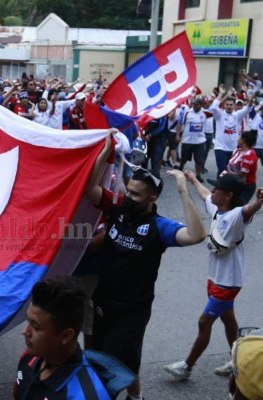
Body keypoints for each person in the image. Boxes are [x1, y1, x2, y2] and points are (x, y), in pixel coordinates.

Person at [84, 130, 206, 400]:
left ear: (152, 199)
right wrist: (105, 151)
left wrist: (184, 191)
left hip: (132, 311)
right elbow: (90, 189)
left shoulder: (159, 227)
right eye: (129, 191)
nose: (129, 197)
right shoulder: (119, 207)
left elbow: (197, 235)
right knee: (109, 359)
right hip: (103, 303)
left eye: (136, 195)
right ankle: (133, 396)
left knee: (118, 365)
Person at [163, 175, 263, 380]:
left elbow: (248, 209)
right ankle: (237, 360)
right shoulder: (217, 209)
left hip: (228, 283)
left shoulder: (236, 216)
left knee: (204, 322)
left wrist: (260, 201)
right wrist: (192, 180)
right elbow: (204, 194)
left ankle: (187, 366)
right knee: (229, 320)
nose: (213, 192)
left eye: (217, 189)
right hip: (216, 278)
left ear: (228, 195)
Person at [14, 276, 135, 400]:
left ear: (66, 336)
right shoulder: (29, 357)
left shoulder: (87, 396)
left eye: (36, 326)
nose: (25, 332)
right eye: (28, 321)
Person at [210, 86, 252, 179]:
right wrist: (221, 93)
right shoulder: (219, 115)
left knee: (231, 172)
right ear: (224, 105)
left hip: (233, 149)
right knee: (223, 171)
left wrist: (246, 93)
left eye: (231, 104)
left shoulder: (237, 115)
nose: (229, 106)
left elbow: (249, 107)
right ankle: (219, 190)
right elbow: (213, 107)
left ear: (234, 106)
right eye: (227, 104)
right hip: (220, 148)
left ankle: (226, 191)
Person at [177, 96, 207, 182]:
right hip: (187, 140)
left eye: (197, 105)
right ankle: (181, 166)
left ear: (201, 105)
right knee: (184, 157)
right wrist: (178, 135)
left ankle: (198, 175)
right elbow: (180, 123)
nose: (194, 106)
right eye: (194, 104)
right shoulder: (187, 112)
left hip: (200, 141)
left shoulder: (205, 113)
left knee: (199, 159)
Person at [225, 130, 259, 203]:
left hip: (246, 186)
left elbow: (242, 174)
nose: (237, 139)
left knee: (240, 207)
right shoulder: (237, 151)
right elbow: (229, 166)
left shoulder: (249, 154)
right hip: (235, 183)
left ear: (243, 140)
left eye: (239, 137)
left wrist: (229, 173)